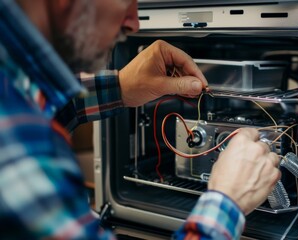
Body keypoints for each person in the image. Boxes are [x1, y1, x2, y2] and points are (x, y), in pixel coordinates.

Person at [0, 0, 281, 239]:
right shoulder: (17, 138)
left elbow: (40, 102)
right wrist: (228, 203)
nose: (134, 22)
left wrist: (120, 87)